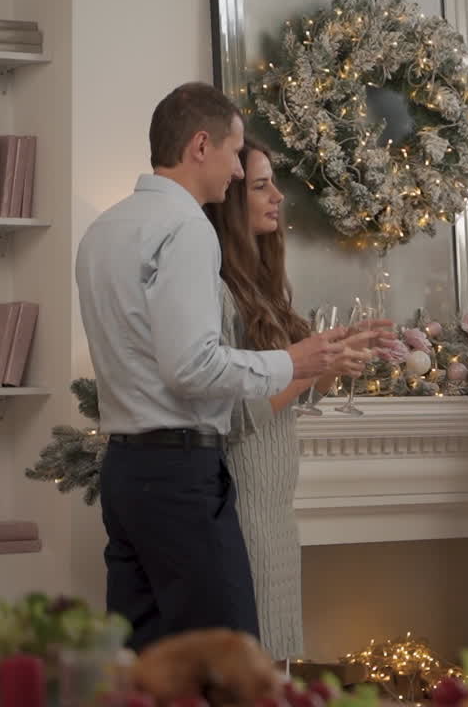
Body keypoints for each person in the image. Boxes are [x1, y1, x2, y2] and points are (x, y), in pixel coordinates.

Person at [75, 82, 339, 651]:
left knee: (145, 663)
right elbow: (191, 368)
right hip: (180, 474)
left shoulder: (103, 230)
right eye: (234, 152)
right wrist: (293, 361)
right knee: (225, 662)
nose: (238, 172)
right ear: (200, 145)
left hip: (124, 472)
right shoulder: (187, 228)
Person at [203, 138, 380, 661]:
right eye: (261, 186)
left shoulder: (262, 286)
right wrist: (309, 370)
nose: (278, 196)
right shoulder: (218, 291)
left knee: (276, 655)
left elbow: (285, 398)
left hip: (275, 506)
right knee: (253, 659)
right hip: (244, 503)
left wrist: (330, 366)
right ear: (231, 203)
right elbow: (236, 415)